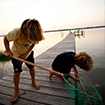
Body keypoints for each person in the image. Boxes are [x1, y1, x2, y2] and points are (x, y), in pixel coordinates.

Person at [4, 18, 45, 102]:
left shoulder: (35, 34)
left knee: (32, 68)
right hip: (16, 56)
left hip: (28, 54)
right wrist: (8, 51)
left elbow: (32, 45)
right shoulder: (17, 32)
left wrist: (25, 55)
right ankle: (16, 90)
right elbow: (5, 38)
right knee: (17, 73)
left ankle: (33, 81)